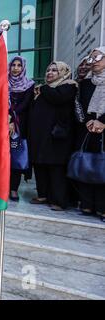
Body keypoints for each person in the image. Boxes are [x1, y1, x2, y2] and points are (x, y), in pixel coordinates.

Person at [29, 61, 78, 211]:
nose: (50, 73)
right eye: (48, 70)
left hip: (56, 136)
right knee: (40, 165)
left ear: (63, 72)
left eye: (55, 70)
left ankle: (58, 200)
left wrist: (43, 88)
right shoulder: (43, 90)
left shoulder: (68, 86)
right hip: (40, 136)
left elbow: (58, 98)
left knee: (55, 168)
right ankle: (43, 194)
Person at [76, 47, 105, 221]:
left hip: (103, 128)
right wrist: (89, 120)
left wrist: (103, 121)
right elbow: (81, 104)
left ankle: (102, 207)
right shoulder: (86, 83)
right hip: (89, 129)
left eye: (98, 58)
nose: (94, 62)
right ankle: (87, 204)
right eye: (91, 58)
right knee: (89, 165)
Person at [8, 56, 35, 202]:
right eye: (13, 65)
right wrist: (6, 119)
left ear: (23, 67)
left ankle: (13, 189)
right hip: (2, 125)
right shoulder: (2, 82)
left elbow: (25, 104)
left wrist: (12, 120)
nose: (16, 68)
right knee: (2, 158)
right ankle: (1, 187)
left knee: (16, 158)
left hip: (20, 126)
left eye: (19, 65)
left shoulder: (29, 84)